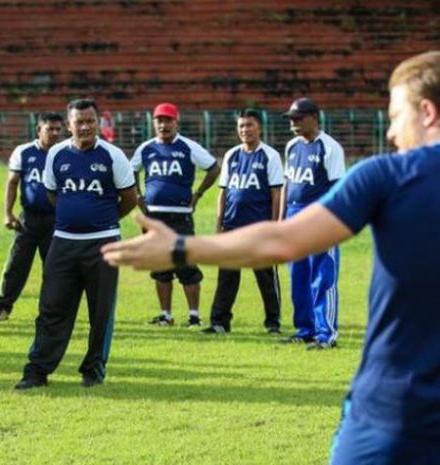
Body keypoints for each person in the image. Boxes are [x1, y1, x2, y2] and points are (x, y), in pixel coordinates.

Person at [102, 51, 440, 465]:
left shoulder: (388, 175)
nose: (390, 134)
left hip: (394, 411)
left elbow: (281, 242)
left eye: (395, 117)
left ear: (427, 112)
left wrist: (180, 247)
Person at [15, 98, 137, 390]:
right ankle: (37, 372)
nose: (85, 127)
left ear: (98, 123)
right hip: (64, 244)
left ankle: (93, 370)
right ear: (69, 125)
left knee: (101, 311)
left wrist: (103, 221)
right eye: (79, 122)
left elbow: (130, 198)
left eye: (90, 121)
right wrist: (74, 219)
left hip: (103, 245)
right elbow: (53, 194)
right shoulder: (56, 154)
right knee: (51, 309)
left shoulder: (113, 155)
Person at [130, 102, 219, 327]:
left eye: (168, 120)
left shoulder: (188, 147)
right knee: (160, 267)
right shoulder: (146, 148)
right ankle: (166, 315)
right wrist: (138, 197)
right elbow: (131, 172)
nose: (163, 125)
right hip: (154, 216)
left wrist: (198, 193)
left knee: (186, 264)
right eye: (159, 120)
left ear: (176, 122)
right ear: (154, 123)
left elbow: (213, 167)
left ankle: (194, 315)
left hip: (180, 216)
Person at [202, 109, 283, 335]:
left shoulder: (270, 155)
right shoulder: (232, 155)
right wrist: (219, 225)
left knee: (266, 277)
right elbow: (224, 192)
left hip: (259, 228)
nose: (245, 130)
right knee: (227, 276)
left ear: (259, 128)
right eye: (241, 126)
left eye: (249, 125)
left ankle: (273, 322)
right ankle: (220, 322)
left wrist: (276, 226)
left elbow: (277, 192)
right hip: (232, 226)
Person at [281, 97, 346, 349]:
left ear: (314, 117)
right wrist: (282, 219)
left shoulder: (329, 148)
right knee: (298, 276)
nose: (293, 124)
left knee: (322, 276)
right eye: (291, 120)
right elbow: (288, 184)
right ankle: (305, 328)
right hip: (293, 216)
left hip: (320, 218)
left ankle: (325, 333)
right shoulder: (291, 147)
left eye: (298, 119)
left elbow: (337, 189)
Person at [0, 112, 64, 322]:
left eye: (58, 129)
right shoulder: (24, 152)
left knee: (54, 268)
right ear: (39, 129)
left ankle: (51, 311)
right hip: (28, 220)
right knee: (16, 265)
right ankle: (2, 308)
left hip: (56, 220)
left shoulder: (65, 153)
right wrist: (7, 213)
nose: (55, 133)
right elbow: (12, 182)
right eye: (50, 128)